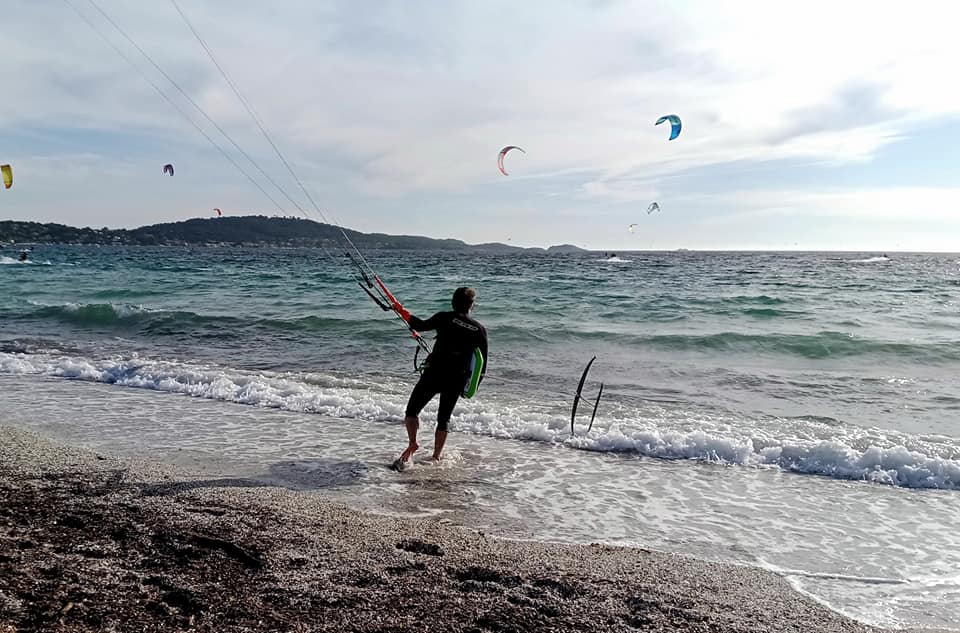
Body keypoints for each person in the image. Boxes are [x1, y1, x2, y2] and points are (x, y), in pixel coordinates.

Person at [393, 287, 487, 468]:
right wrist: (470, 388)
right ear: (472, 305)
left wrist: (401, 310)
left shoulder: (444, 317)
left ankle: (412, 442)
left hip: (434, 373)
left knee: (412, 411)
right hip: (456, 378)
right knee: (444, 418)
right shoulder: (479, 329)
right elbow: (481, 366)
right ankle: (436, 457)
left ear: (453, 302)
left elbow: (419, 325)